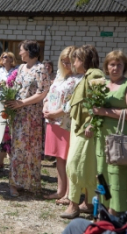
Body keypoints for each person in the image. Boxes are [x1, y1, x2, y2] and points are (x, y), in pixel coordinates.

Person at [61, 45, 105, 219]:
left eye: (77, 59)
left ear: (85, 60)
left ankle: (73, 205)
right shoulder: (86, 75)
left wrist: (92, 124)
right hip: (79, 127)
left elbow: (99, 102)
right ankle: (87, 202)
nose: (74, 62)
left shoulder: (95, 75)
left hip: (86, 128)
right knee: (86, 166)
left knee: (74, 165)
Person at [7, 40, 50, 196]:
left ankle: (30, 183)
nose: (19, 53)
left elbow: (43, 92)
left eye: (21, 50)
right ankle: (15, 183)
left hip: (32, 116)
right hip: (19, 114)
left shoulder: (40, 69)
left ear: (30, 51)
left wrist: (22, 103)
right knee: (18, 148)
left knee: (31, 149)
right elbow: (15, 88)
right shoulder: (21, 68)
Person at [42, 46, 82, 204]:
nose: (66, 65)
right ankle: (60, 191)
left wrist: (55, 113)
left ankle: (69, 194)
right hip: (52, 121)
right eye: (63, 62)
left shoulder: (79, 79)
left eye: (69, 62)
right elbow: (50, 94)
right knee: (59, 158)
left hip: (65, 122)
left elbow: (71, 104)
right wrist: (45, 106)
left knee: (68, 159)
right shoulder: (59, 76)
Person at [93, 50, 127, 216]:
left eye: (119, 64)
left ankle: (116, 212)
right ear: (106, 67)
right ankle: (103, 209)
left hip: (118, 137)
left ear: (124, 67)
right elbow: (94, 109)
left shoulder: (125, 85)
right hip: (101, 137)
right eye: (112, 64)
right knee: (102, 173)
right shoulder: (102, 84)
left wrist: (105, 112)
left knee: (116, 175)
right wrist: (90, 124)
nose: (115, 68)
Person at [0, 51, 17, 173]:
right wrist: (1, 84)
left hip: (11, 103)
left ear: (12, 59)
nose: (4, 59)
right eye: (3, 57)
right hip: (0, 101)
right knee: (3, 132)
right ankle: (0, 162)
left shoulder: (16, 71)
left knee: (9, 132)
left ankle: (10, 163)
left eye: (7, 57)